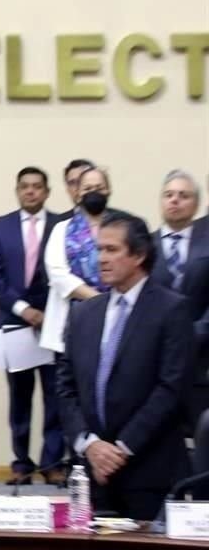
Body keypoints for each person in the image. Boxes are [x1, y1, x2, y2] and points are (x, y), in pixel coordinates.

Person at [56, 211, 193, 520]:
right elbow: (65, 386)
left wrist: (120, 449)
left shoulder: (171, 310)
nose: (101, 258)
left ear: (139, 254)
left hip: (149, 471)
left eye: (111, 250)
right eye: (99, 249)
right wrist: (89, 444)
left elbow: (170, 388)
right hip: (92, 474)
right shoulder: (84, 314)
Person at [0, 167, 65, 485]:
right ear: (17, 191)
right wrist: (23, 309)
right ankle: (21, 463)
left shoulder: (62, 225)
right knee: (20, 398)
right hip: (14, 323)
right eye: (24, 187)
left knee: (55, 397)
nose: (30, 192)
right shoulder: (1, 226)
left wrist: (45, 312)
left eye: (37, 187)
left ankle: (52, 463)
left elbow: (65, 271)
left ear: (47, 192)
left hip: (53, 323)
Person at [149, 170, 209, 429]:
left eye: (183, 196)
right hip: (154, 358)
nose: (175, 200)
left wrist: (193, 334)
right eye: (169, 195)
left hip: (201, 355)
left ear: (196, 204)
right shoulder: (143, 246)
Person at [41, 167, 112, 354]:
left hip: (116, 317)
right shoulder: (61, 229)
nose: (93, 192)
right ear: (78, 193)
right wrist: (98, 299)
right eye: (87, 189)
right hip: (73, 320)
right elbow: (58, 274)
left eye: (99, 187)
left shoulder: (123, 226)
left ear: (108, 191)